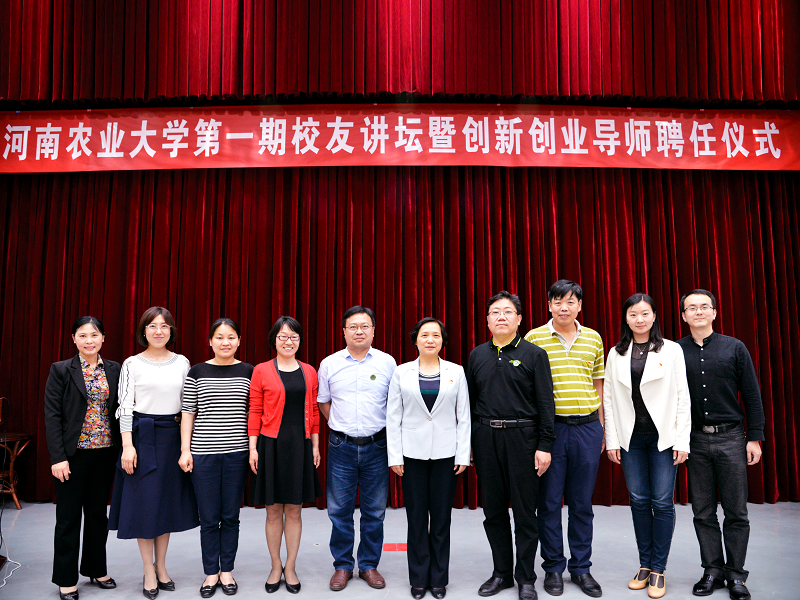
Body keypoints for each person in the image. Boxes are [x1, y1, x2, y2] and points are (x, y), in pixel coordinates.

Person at [467, 291, 555, 600]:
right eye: (495, 312)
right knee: (493, 512)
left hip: (524, 440)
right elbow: (470, 404)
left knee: (525, 513)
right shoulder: (477, 355)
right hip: (486, 439)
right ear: (487, 320)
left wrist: (545, 445)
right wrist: (470, 444)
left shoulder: (534, 354)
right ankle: (501, 573)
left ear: (519, 319)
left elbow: (546, 404)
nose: (501, 316)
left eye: (507, 311)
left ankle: (526, 577)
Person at [677, 290, 765, 600]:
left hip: (731, 438)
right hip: (695, 440)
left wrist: (754, 438)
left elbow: (751, 394)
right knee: (702, 512)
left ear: (714, 312)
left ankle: (736, 575)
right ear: (684, 315)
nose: (699, 311)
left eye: (705, 307)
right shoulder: (675, 351)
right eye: (692, 308)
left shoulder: (735, 348)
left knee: (736, 511)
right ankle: (712, 571)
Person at [603, 293, 691, 599]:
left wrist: (682, 440)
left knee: (662, 502)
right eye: (633, 314)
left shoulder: (672, 349)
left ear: (654, 316)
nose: (639, 319)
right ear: (626, 319)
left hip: (663, 438)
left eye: (644, 313)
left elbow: (682, 397)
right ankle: (644, 564)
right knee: (639, 501)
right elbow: (609, 399)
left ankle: (659, 569)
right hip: (631, 439)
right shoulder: (616, 353)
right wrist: (612, 439)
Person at [108, 307, 198, 600]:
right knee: (145, 505)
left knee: (165, 504)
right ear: (143, 331)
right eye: (152, 326)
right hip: (142, 437)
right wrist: (128, 445)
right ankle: (148, 569)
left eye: (164, 326)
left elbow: (188, 406)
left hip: (173, 437)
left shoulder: (182, 362)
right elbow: (124, 407)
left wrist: (186, 448)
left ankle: (161, 566)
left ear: (171, 331)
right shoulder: (132, 363)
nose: (159, 331)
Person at [524, 280, 605, 598]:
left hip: (587, 429)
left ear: (580, 306)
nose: (564, 307)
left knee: (582, 504)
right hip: (551, 431)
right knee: (548, 503)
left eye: (571, 301)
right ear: (549, 305)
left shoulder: (594, 338)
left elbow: (598, 385)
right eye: (557, 301)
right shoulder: (534, 338)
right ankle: (554, 568)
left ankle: (582, 568)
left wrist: (602, 428)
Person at [387, 318, 471, 600]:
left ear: (443, 340)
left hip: (447, 455)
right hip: (411, 455)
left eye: (436, 335)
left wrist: (463, 454)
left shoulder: (456, 371)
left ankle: (438, 579)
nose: (430, 340)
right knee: (416, 518)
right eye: (425, 335)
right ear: (416, 340)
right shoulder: (401, 372)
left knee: (441, 519)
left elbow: (464, 416)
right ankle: (418, 578)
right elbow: (393, 417)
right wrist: (395, 456)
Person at [318, 306, 397, 592]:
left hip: (378, 445)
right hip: (342, 446)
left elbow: (394, 404)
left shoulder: (388, 363)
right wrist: (342, 427)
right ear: (344, 332)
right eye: (353, 327)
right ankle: (342, 565)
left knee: (374, 511)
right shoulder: (330, 363)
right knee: (339, 510)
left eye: (365, 326)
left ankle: (368, 565)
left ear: (374, 330)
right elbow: (324, 402)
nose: (359, 331)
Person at [44, 316, 121, 600]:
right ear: (74, 339)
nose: (89, 340)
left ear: (103, 338)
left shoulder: (114, 369)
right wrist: (58, 458)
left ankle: (96, 569)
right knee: (68, 518)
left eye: (95, 335)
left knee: (98, 516)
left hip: (105, 453)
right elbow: (52, 416)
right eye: (83, 335)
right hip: (72, 456)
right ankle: (66, 579)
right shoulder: (61, 369)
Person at [179, 318, 254, 597]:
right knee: (209, 517)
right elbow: (188, 413)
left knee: (231, 516)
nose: (225, 342)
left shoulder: (248, 371)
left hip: (237, 454)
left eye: (231, 337)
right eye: (220, 337)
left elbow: (253, 412)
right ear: (210, 341)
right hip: (204, 455)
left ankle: (227, 571)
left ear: (239, 340)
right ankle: (211, 572)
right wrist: (185, 450)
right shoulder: (197, 372)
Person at [249, 316, 322, 595]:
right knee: (272, 511)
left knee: (294, 510)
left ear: (300, 341)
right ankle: (275, 565)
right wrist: (253, 448)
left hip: (300, 445)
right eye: (283, 336)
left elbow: (313, 412)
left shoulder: (309, 371)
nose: (288, 341)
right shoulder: (262, 370)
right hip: (270, 445)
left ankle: (290, 566)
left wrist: (315, 445)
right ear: (274, 340)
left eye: (294, 337)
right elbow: (255, 410)